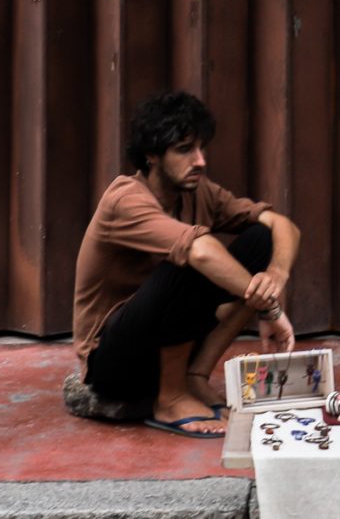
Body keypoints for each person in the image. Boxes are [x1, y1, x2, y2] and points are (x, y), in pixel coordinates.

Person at [66, 90, 301, 438]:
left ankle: (193, 377)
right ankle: (170, 398)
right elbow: (201, 252)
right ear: (152, 156)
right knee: (189, 257)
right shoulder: (125, 199)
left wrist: (276, 274)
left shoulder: (198, 192)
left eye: (201, 148)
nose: (200, 160)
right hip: (114, 363)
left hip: (168, 342)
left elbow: (283, 225)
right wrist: (269, 310)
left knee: (259, 240)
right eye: (184, 150)